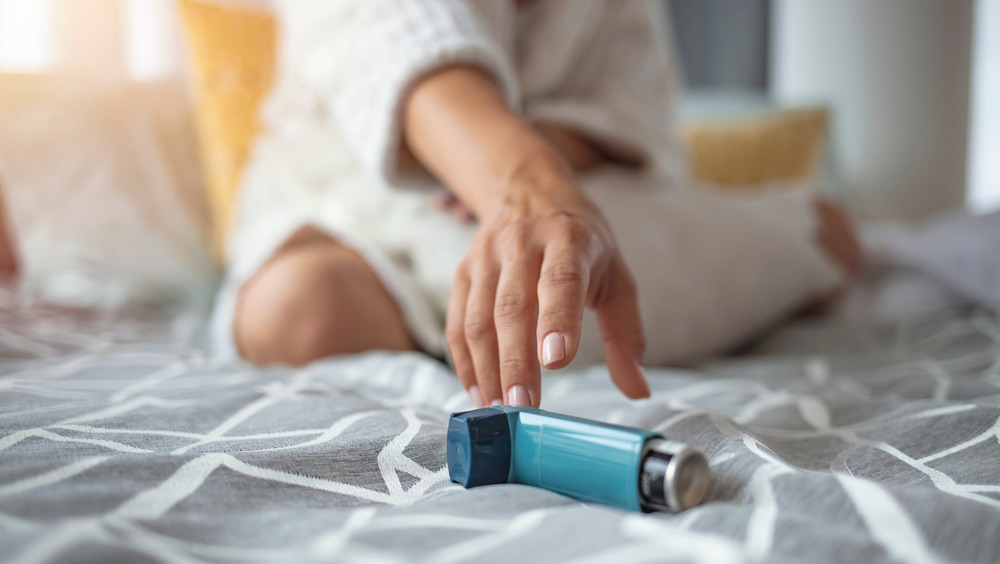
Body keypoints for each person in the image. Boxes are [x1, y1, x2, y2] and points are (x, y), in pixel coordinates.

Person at [212, 0, 862, 409]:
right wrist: (519, 185)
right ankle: (454, 323)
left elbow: (634, 118)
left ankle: (805, 227)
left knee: (823, 235)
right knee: (299, 310)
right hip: (351, 201)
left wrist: (548, 161)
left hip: (580, 197)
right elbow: (408, 47)